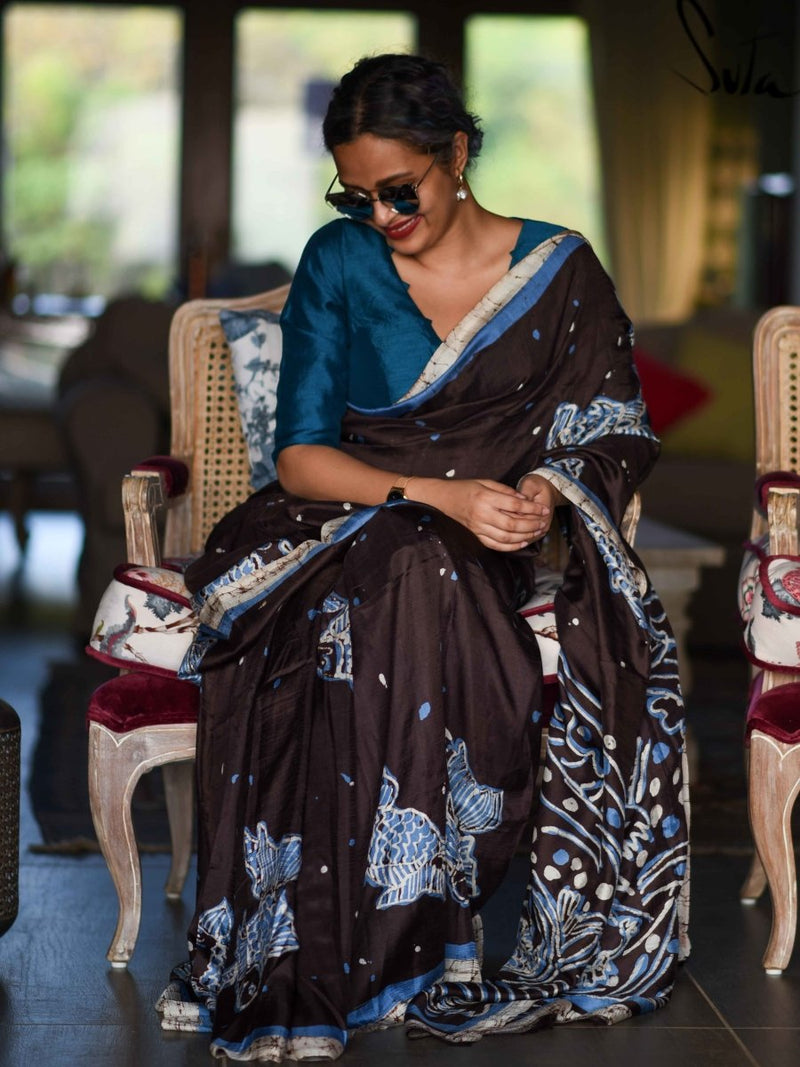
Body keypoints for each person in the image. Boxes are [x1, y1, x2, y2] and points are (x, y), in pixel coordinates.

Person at [157, 52, 689, 1062]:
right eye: (353, 195)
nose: (380, 214)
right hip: (330, 524)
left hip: (477, 542)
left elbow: (613, 427)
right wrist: (435, 491)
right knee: (401, 565)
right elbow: (303, 457)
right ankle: (350, 947)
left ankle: (383, 935)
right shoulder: (340, 260)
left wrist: (545, 489)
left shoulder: (559, 269)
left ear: (457, 153)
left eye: (398, 190)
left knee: (424, 568)